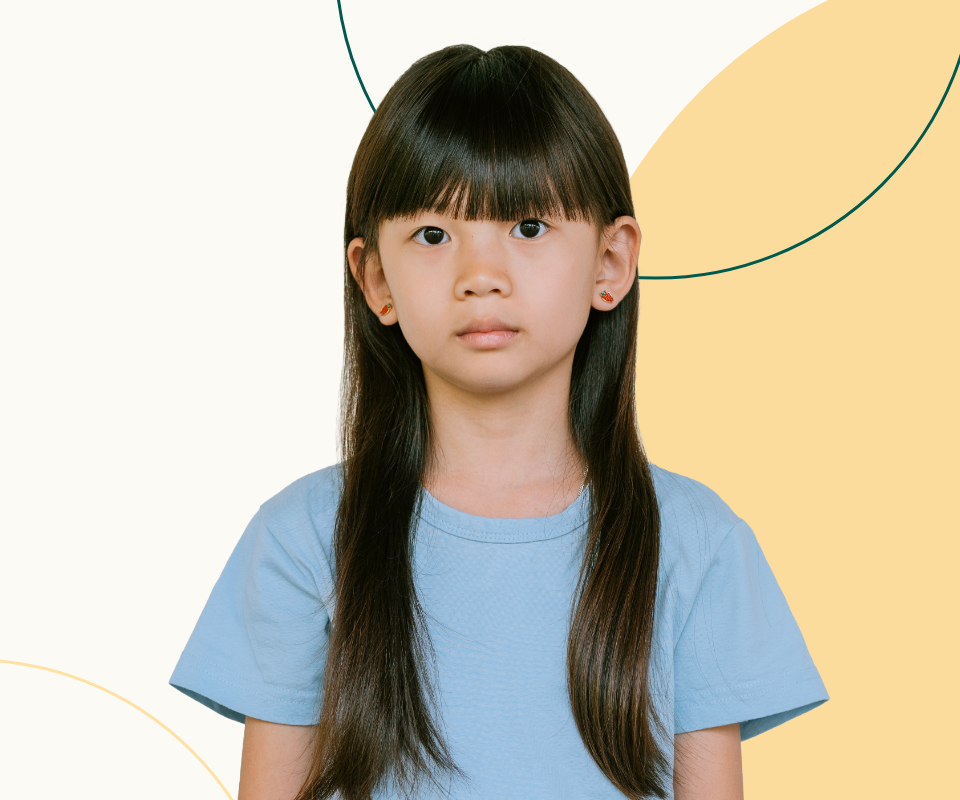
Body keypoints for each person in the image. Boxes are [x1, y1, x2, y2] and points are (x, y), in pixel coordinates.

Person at [170, 44, 828, 800]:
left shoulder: (697, 546)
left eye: (528, 226)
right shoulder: (302, 540)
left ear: (611, 264)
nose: (480, 275)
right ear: (375, 280)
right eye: (433, 235)